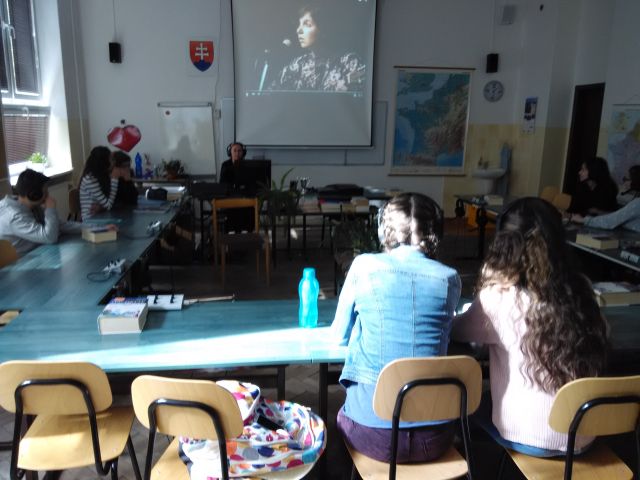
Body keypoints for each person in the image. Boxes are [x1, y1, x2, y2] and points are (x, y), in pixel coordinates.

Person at [453, 197, 608, 456]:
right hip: (582, 433)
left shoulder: (499, 297)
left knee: (463, 403)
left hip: (530, 436)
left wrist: (489, 282)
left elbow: (457, 330)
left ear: (502, 244)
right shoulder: (582, 289)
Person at [332, 193, 461, 463]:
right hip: (434, 440)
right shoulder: (450, 279)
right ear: (436, 234)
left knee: (340, 416)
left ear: (383, 230)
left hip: (373, 437)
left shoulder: (363, 266)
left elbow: (338, 335)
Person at [269, 4, 365, 92]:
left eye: (307, 24)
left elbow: (360, 93)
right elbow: (271, 93)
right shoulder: (297, 64)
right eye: (299, 24)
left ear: (323, 29)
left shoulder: (348, 62)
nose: (298, 30)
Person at [0, 169, 80, 254]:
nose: (48, 195)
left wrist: (87, 228)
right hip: (23, 259)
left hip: (38, 250)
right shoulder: (14, 216)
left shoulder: (31, 205)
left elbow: (59, 225)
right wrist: (50, 209)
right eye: (45, 192)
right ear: (34, 195)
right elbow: (49, 237)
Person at [79, 146, 127, 220]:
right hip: (91, 219)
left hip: (102, 215)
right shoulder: (90, 180)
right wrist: (114, 179)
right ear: (104, 162)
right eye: (111, 159)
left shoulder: (101, 176)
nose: (114, 162)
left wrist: (101, 207)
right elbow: (108, 205)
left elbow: (111, 201)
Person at [219, 142, 254, 233]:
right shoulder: (225, 165)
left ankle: (248, 234)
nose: (237, 153)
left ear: (243, 153)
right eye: (234, 151)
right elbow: (222, 183)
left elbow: (251, 183)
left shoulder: (247, 165)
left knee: (249, 208)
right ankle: (232, 233)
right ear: (230, 152)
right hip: (230, 197)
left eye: (239, 151)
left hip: (244, 196)